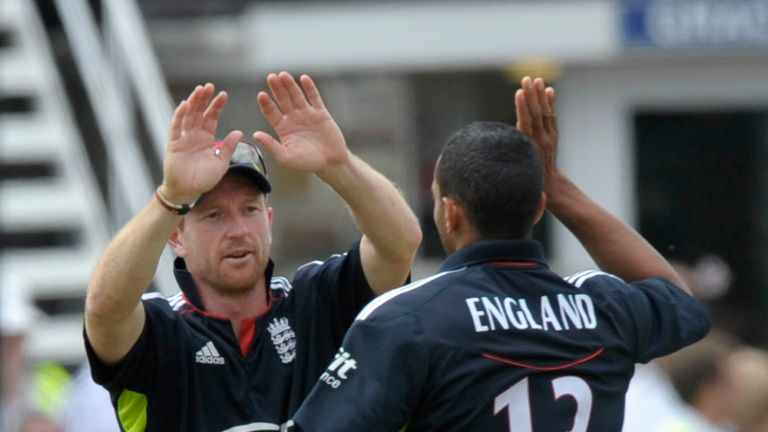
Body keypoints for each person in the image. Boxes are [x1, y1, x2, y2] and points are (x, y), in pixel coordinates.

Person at [292, 76, 711, 431]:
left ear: (451, 214)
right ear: (540, 207)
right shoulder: (603, 306)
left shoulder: (408, 318)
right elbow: (677, 300)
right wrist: (556, 183)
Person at [83, 72, 421, 431]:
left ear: (269, 221)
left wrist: (338, 165)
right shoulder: (161, 332)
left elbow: (398, 246)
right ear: (176, 237)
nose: (239, 231)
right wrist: (170, 198)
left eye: (249, 210)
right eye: (214, 216)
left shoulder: (315, 302)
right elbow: (104, 308)